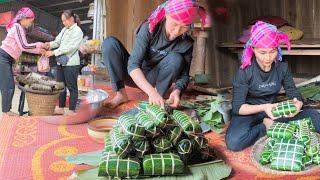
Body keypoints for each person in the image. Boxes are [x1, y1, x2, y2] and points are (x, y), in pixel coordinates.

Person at [225, 21, 320, 151]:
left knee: (315, 117)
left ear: (277, 49)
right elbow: (237, 108)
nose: (268, 58)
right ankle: (265, 126)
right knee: (234, 142)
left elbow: (293, 92)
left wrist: (298, 104)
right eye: (262, 52)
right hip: (250, 112)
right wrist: (265, 107)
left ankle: (275, 124)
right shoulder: (245, 72)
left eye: (272, 51)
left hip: (274, 112)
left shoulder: (282, 67)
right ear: (253, 49)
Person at [102, 0, 208, 108]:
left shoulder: (186, 43)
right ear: (166, 15)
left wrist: (177, 91)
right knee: (110, 44)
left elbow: (184, 75)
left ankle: (158, 96)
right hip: (134, 75)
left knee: (176, 59)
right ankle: (121, 94)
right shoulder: (150, 28)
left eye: (184, 27)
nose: (177, 31)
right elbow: (133, 65)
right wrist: (151, 92)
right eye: (175, 24)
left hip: (156, 80)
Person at [0, 7, 45, 116]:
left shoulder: (20, 28)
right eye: (30, 21)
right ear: (24, 18)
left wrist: (40, 50)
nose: (30, 24)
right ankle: (6, 111)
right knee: (8, 85)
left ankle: (6, 110)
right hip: (3, 57)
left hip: (7, 59)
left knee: (6, 84)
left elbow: (22, 48)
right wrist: (40, 45)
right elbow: (24, 46)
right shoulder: (17, 27)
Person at [43, 10, 83, 115]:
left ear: (71, 19)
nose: (63, 23)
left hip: (71, 64)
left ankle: (71, 110)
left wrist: (53, 52)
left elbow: (70, 48)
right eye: (62, 21)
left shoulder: (78, 31)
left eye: (65, 21)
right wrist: (49, 45)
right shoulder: (65, 29)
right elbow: (57, 41)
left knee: (72, 87)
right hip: (61, 62)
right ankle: (61, 107)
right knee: (60, 86)